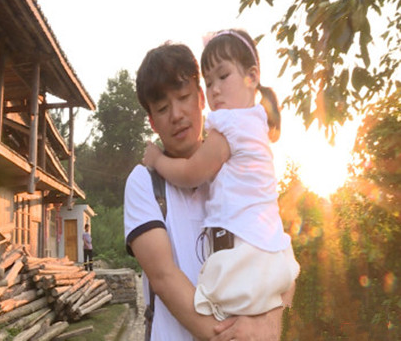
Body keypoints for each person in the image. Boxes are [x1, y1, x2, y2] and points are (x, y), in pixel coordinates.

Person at [124, 41, 294, 340]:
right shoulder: (145, 182)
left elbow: (277, 252)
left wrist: (266, 326)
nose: (176, 114)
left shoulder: (238, 174)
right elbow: (163, 277)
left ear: (202, 98)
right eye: (163, 108)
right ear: (151, 120)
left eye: (184, 97)